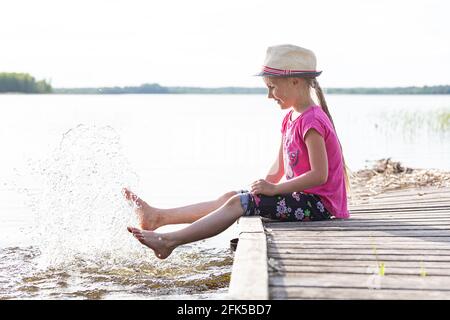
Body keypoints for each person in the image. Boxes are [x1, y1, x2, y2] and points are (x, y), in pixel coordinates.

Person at [124, 44, 350, 259]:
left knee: (238, 203)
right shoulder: (290, 118)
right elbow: (280, 166)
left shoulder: (312, 121)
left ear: (294, 82)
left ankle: (168, 241)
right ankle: (158, 217)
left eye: (272, 87)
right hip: (302, 199)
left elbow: (319, 175)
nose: (269, 96)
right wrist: (263, 187)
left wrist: (274, 189)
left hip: (320, 206)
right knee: (231, 197)